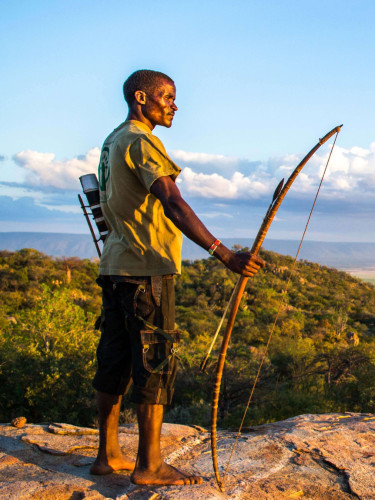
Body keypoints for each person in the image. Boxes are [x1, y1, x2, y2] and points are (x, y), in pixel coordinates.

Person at [90, 69, 265, 486]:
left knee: (114, 361)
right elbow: (173, 201)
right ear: (140, 97)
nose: (173, 105)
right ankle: (149, 466)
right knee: (154, 362)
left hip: (115, 266)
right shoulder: (141, 141)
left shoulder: (113, 139)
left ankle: (107, 455)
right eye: (166, 97)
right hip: (146, 269)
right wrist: (223, 253)